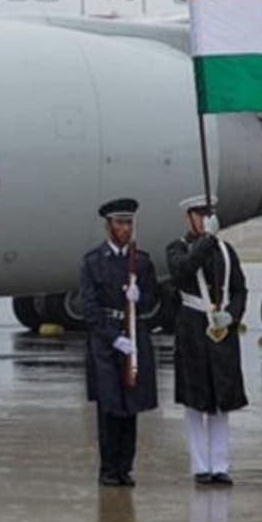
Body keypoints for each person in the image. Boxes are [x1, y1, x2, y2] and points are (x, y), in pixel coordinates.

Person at [165, 195, 248, 486]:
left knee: (220, 399)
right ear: (188, 217)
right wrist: (207, 240)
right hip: (192, 326)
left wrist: (233, 315)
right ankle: (201, 466)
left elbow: (240, 289)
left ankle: (220, 464)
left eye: (207, 214)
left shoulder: (226, 251)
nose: (203, 219)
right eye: (199, 215)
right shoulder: (178, 247)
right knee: (195, 400)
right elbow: (184, 269)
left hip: (220, 327)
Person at [80, 198, 158, 487]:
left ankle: (125, 467)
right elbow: (88, 308)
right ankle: (109, 468)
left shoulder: (141, 262)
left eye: (128, 223)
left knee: (131, 407)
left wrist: (141, 298)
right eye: (119, 223)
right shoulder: (93, 262)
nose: (125, 228)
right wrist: (114, 338)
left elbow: (153, 301)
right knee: (109, 407)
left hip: (134, 333)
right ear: (108, 225)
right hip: (106, 340)